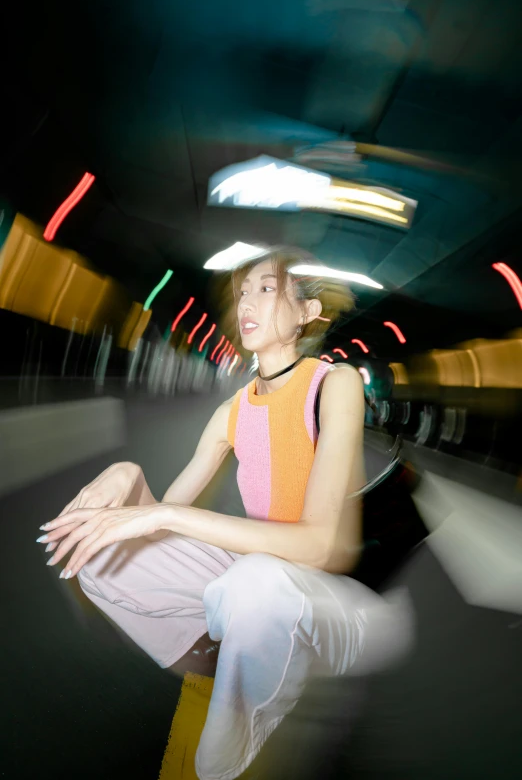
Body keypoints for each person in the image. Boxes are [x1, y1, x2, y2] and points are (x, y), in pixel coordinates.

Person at [39, 247, 413, 780]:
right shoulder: (231, 411)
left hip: (332, 602)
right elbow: (161, 519)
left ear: (307, 313)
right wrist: (128, 478)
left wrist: (163, 517)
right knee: (102, 547)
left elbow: (318, 546)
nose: (247, 302)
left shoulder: (334, 385)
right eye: (242, 292)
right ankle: (234, 655)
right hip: (254, 583)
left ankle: (260, 696)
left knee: (255, 582)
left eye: (267, 288)